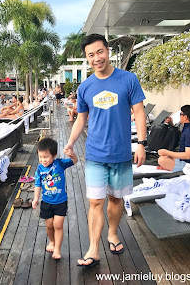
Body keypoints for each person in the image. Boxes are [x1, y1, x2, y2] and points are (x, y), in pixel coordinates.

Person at [64, 34, 146, 267]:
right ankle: (93, 250)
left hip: (121, 153)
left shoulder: (128, 79)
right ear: (87, 58)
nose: (96, 58)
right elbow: (81, 119)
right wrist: (70, 142)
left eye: (100, 52)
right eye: (91, 55)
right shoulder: (85, 87)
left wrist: (141, 143)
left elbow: (139, 112)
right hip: (96, 155)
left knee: (115, 198)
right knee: (95, 202)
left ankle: (112, 233)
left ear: (107, 51)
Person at [32, 138, 78, 260]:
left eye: (46, 157)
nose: (43, 160)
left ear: (54, 155)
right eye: (40, 157)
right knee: (49, 225)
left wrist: (72, 154)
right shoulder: (40, 170)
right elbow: (38, 184)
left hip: (60, 201)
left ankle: (57, 249)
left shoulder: (60, 163)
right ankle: (51, 241)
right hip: (46, 202)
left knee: (58, 225)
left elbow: (74, 161)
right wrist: (36, 198)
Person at [157, 105, 190, 171]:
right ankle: (169, 166)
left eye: (181, 114)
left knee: (162, 160)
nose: (180, 116)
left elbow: (188, 155)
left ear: (185, 117)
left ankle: (170, 168)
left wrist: (167, 152)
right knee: (165, 157)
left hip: (189, 165)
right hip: (184, 160)